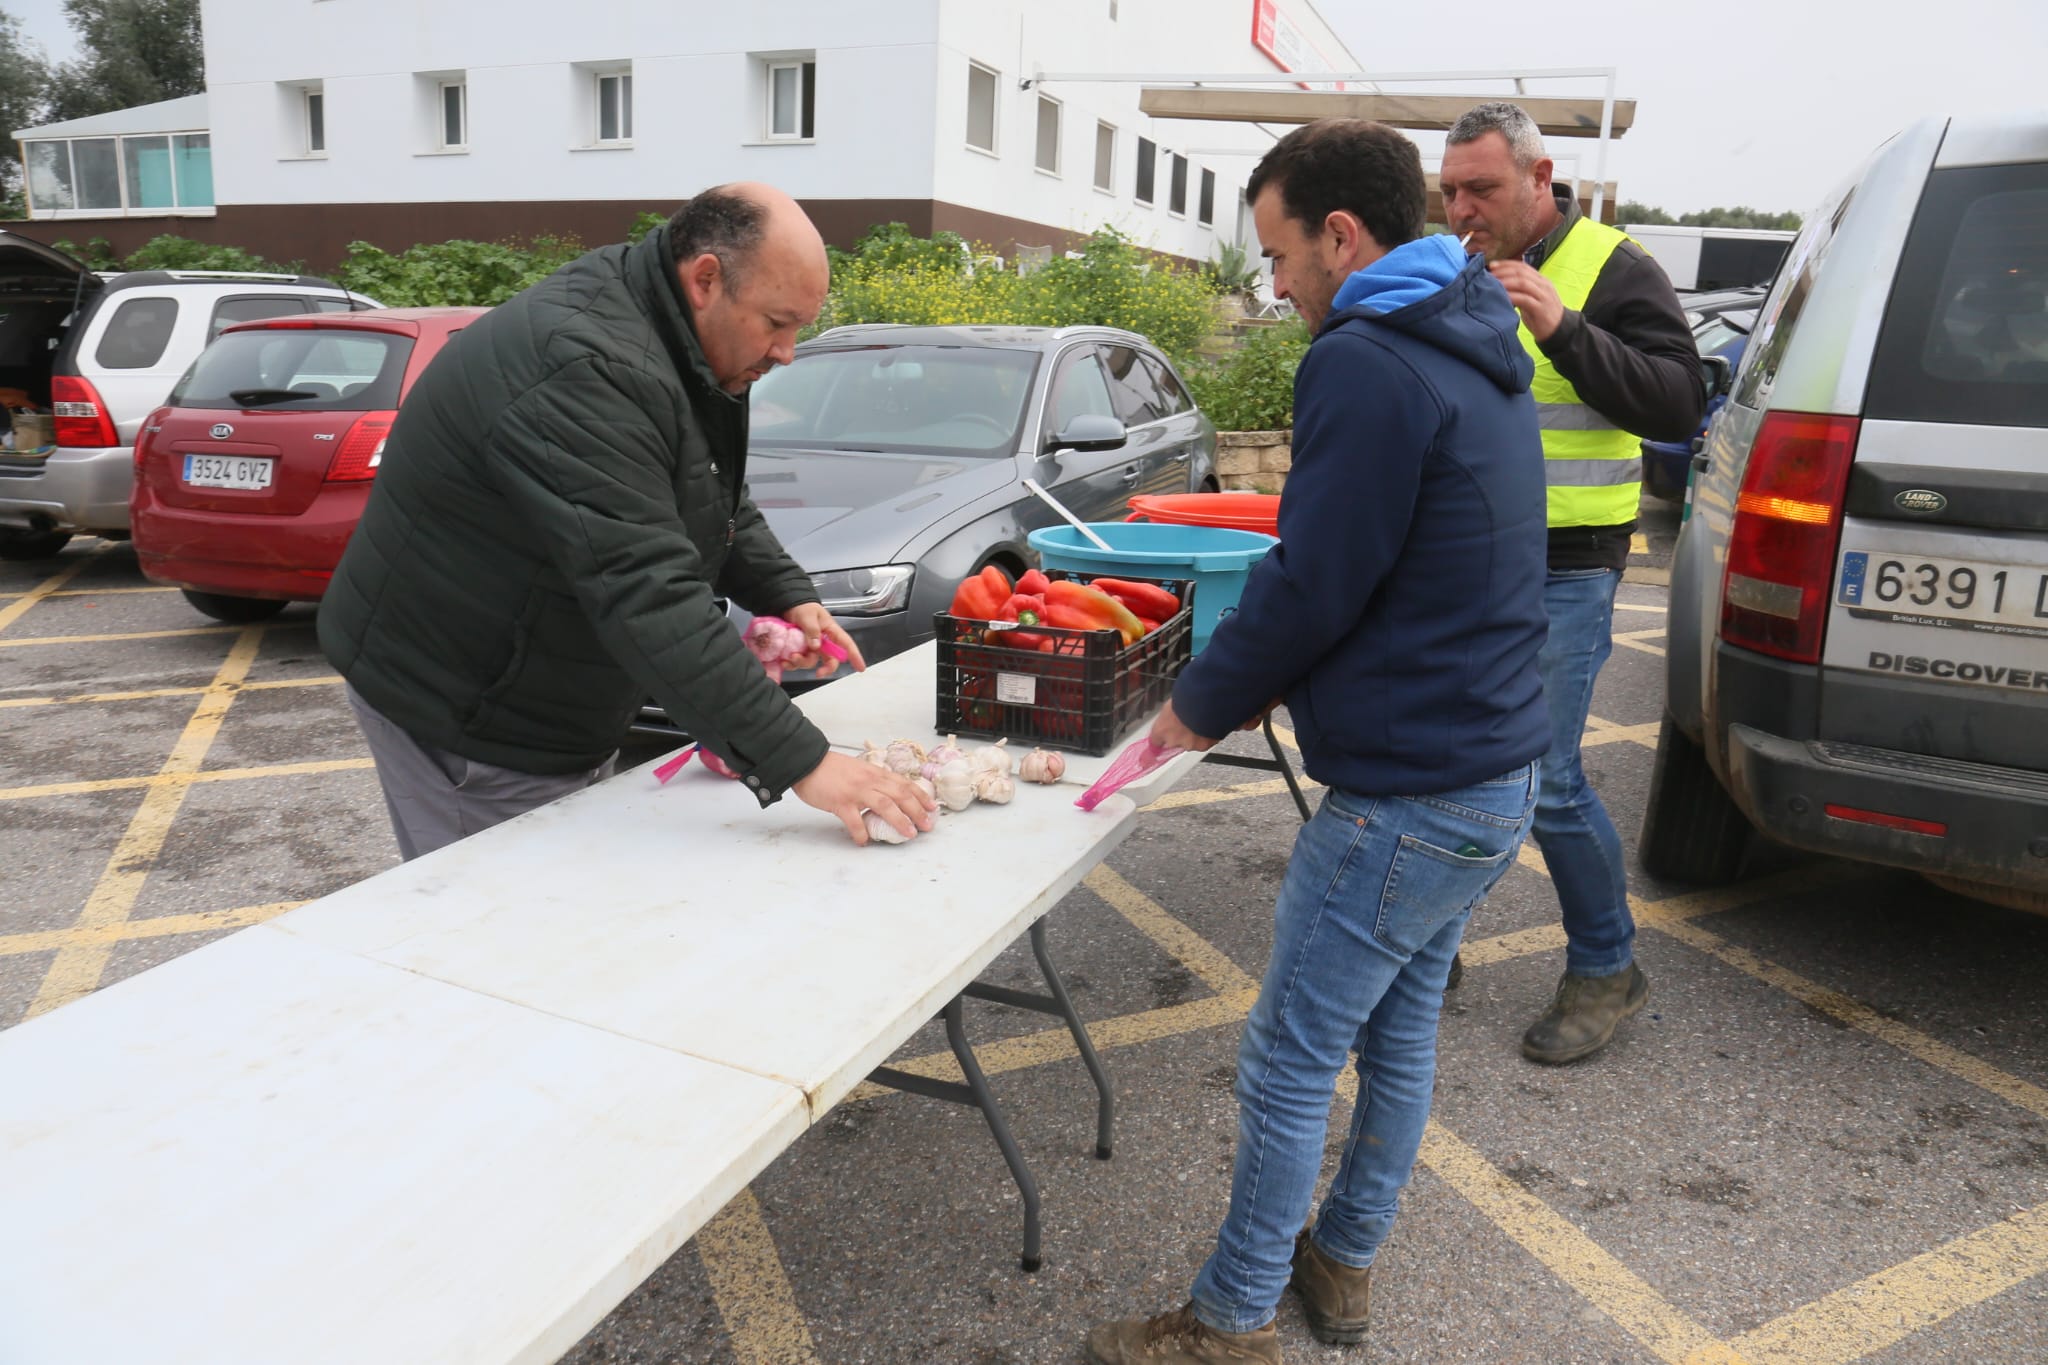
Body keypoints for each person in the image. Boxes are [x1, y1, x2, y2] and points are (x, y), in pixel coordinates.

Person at [1086, 119, 1549, 1364]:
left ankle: (1230, 1321)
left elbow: (1313, 578)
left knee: (1289, 1061)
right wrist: (1263, 680)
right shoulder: (1470, 328)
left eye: (1280, 256)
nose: (1274, 286)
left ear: (1341, 236)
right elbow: (1401, 563)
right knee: (1394, 1037)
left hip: (1408, 793)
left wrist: (1192, 705)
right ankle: (1339, 1262)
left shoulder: (1363, 357)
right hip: (1493, 768)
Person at [318, 183, 935, 859]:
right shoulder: (584, 365)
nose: (787, 351)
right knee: (506, 931)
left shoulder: (669, 332)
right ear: (705, 279)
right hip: (470, 703)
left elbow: (705, 490)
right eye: (777, 322)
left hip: (542, 684)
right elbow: (644, 589)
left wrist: (788, 592)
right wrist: (806, 763)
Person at [1439, 102, 1704, 1065]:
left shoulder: (1615, 266)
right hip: (1467, 561)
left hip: (1566, 569)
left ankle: (1606, 965)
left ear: (1541, 176)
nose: (1464, 208)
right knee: (1454, 761)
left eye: (1485, 189)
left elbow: (1680, 400)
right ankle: (1433, 945)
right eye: (1453, 191)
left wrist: (1564, 327)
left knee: (1545, 781)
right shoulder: (1457, 267)